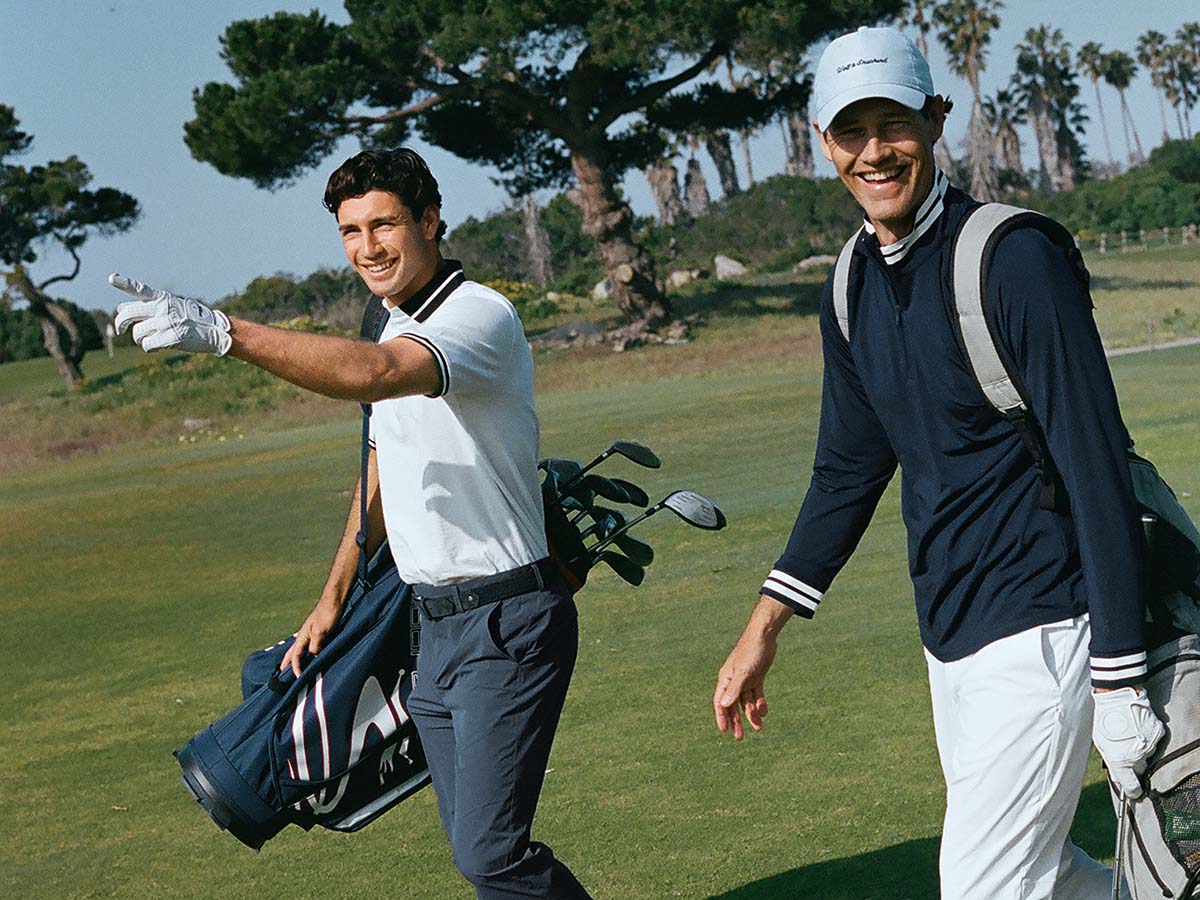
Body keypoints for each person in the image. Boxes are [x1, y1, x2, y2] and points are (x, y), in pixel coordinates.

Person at [712, 26, 1165, 900]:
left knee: (981, 888)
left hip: (1048, 623)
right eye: (852, 131)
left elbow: (1096, 463)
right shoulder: (847, 283)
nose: (875, 152)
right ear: (823, 144)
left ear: (937, 119)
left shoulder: (1013, 256)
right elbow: (847, 472)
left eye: (895, 124)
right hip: (950, 635)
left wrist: (1119, 680)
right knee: (1051, 877)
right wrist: (762, 629)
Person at [111, 148, 592, 900]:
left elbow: (376, 375)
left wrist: (224, 332)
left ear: (430, 220)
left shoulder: (476, 315)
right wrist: (332, 597)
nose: (368, 247)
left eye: (385, 224)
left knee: (492, 855)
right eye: (349, 231)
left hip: (508, 622)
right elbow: (378, 466)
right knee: (479, 853)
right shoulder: (391, 318)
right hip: (432, 630)